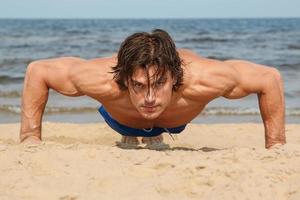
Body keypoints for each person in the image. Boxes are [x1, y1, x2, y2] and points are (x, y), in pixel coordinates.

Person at [19, 29, 286, 149]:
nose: (149, 98)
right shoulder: (101, 80)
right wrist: (30, 137)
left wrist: (275, 145)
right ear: (124, 80)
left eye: (159, 84)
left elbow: (269, 79)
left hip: (175, 120)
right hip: (121, 118)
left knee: (155, 126)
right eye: (138, 85)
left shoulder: (205, 79)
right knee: (131, 127)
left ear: (175, 79)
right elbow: (38, 71)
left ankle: (154, 134)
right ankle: (133, 133)